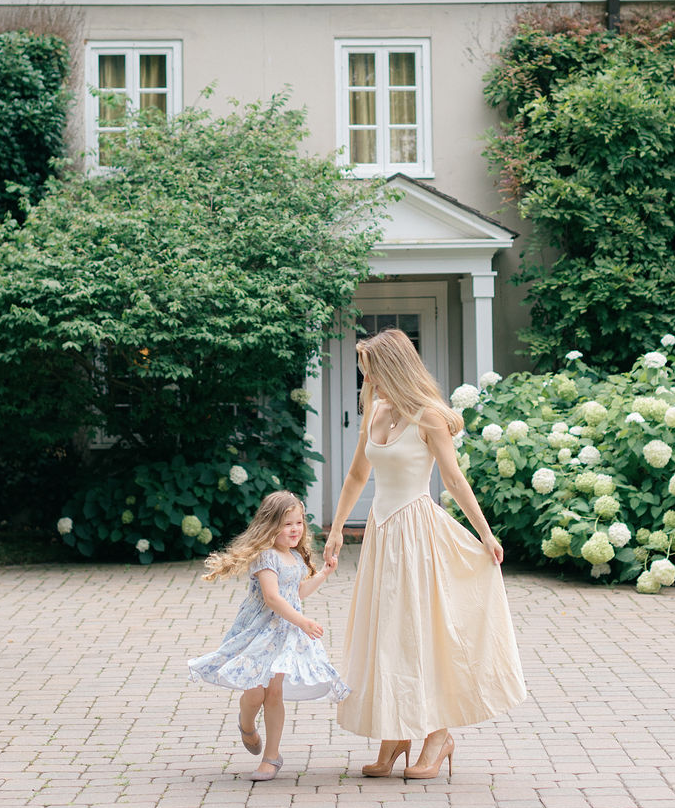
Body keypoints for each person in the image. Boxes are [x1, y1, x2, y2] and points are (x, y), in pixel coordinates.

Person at [325, 328, 526, 779]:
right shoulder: (375, 411)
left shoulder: (430, 417)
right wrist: (337, 528)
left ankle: (437, 734)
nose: (365, 378)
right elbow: (358, 474)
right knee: (386, 632)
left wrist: (487, 534)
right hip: (381, 533)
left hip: (417, 532)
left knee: (418, 631)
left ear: (390, 366)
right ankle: (396, 734)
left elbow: (454, 480)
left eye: (369, 369)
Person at [189, 490, 349, 781]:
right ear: (270, 525)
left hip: (284, 636)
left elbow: (296, 593)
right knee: (255, 692)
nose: (295, 530)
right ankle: (247, 724)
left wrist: (323, 573)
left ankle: (271, 757)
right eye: (288, 524)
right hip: (260, 633)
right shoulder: (266, 557)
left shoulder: (295, 558)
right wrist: (303, 621)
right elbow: (274, 599)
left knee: (274, 693)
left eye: (299, 523)